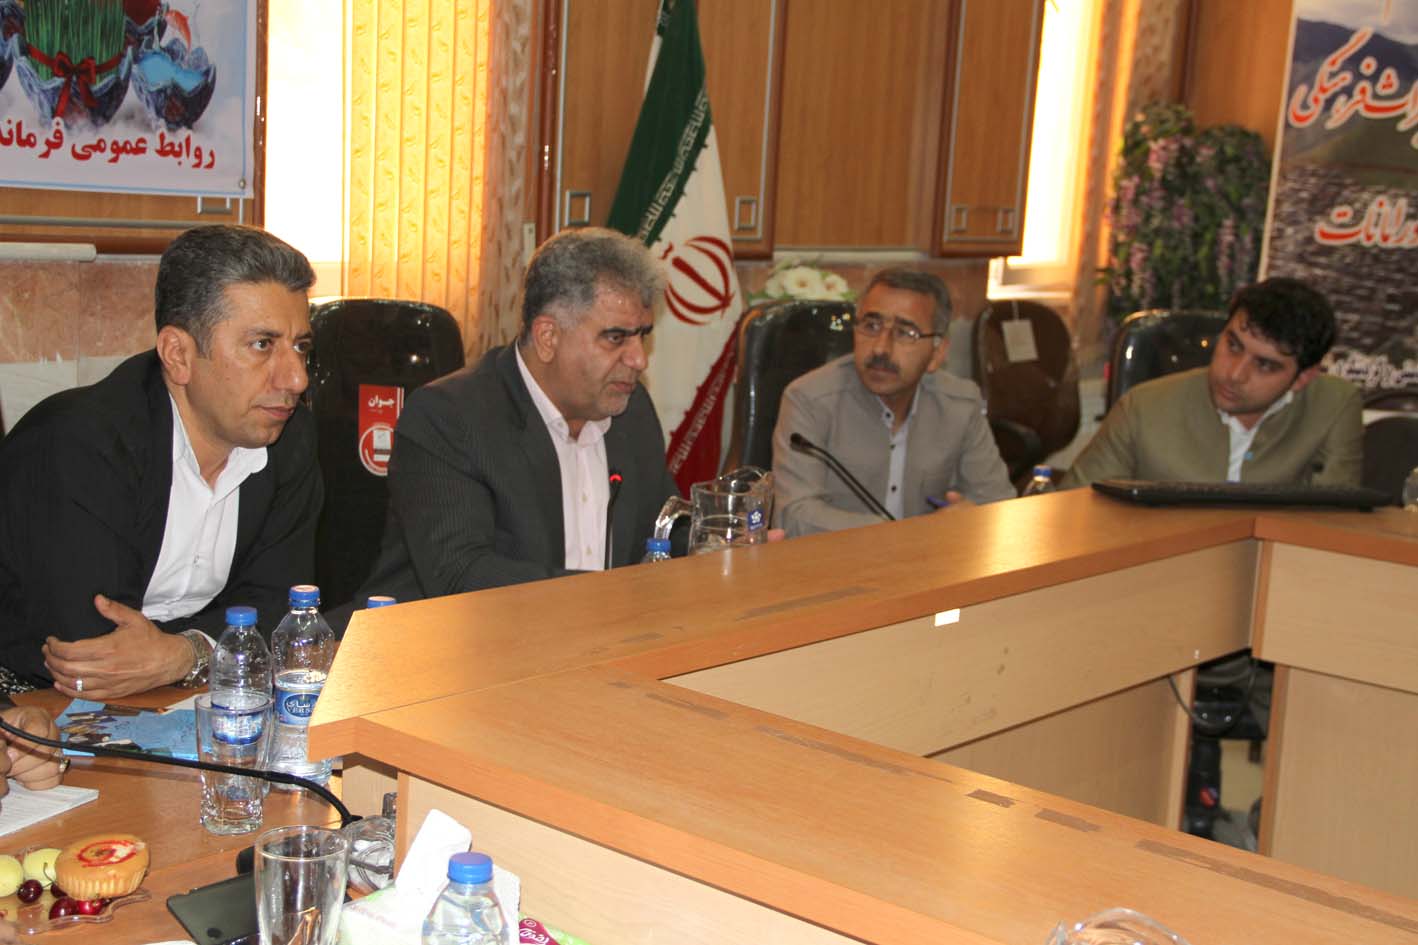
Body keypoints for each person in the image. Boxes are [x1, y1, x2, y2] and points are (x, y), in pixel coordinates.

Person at [0, 225, 321, 699]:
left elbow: (285, 609)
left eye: (301, 347)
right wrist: (211, 645)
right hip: (27, 696)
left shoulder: (289, 437)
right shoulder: (82, 442)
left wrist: (185, 653)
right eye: (262, 345)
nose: (295, 379)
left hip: (179, 692)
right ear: (178, 355)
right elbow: (91, 654)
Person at [350, 227, 681, 610]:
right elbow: (462, 577)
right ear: (548, 337)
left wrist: (721, 542)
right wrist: (611, 596)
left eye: (642, 335)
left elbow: (666, 531)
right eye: (616, 338)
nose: (638, 359)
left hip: (603, 639)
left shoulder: (631, 411)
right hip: (461, 641)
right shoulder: (449, 419)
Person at [771, 268, 1015, 538]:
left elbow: (999, 506)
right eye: (871, 326)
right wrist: (906, 534)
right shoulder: (809, 399)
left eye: (905, 333)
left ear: (937, 353)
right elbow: (794, 515)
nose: (880, 348)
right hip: (837, 561)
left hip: (932, 561)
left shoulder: (960, 404)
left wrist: (973, 517)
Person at [1062, 277, 1362, 488]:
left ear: (1304, 377)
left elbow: (1333, 523)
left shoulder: (1334, 405)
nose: (1235, 374)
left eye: (1264, 365)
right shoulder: (1142, 407)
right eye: (1233, 345)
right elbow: (1071, 513)